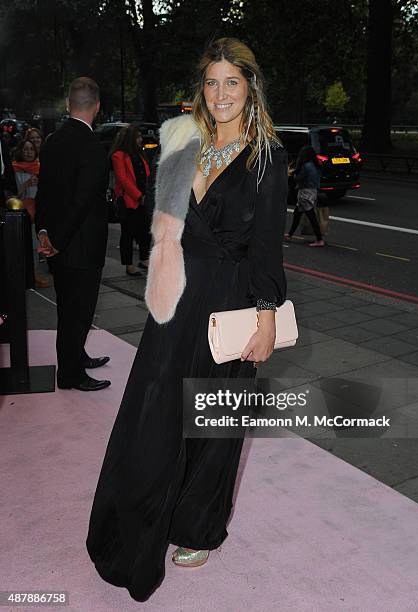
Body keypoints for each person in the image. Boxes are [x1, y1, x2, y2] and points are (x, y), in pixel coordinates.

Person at [86, 37, 288, 602]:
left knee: (212, 419)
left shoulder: (267, 155)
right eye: (211, 81)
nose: (220, 93)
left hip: (233, 296)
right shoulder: (180, 139)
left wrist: (266, 317)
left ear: (250, 86)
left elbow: (267, 245)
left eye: (232, 82)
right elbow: (165, 225)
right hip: (175, 303)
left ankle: (197, 526)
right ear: (200, 87)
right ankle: (137, 523)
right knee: (154, 415)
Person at [35, 77, 111, 392]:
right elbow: (81, 203)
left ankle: (76, 356)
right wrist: (59, 241)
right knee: (77, 312)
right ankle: (70, 375)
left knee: (67, 306)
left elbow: (44, 193)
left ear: (68, 104)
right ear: (97, 107)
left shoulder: (52, 141)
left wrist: (44, 234)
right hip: (79, 244)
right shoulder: (94, 147)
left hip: (57, 241)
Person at [110, 125, 152, 276]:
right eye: (138, 137)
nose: (141, 139)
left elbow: (146, 176)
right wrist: (138, 196)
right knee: (128, 233)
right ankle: (129, 265)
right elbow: (123, 180)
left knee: (145, 231)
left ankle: (144, 259)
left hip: (142, 199)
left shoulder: (140, 155)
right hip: (129, 201)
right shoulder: (118, 156)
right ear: (130, 139)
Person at [12, 139, 51, 288]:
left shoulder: (40, 168)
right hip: (21, 211)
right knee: (23, 246)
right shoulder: (14, 169)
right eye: (26, 149)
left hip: (38, 211)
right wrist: (26, 185)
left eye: (31, 149)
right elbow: (12, 195)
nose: (29, 152)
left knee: (36, 246)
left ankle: (33, 275)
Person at [285, 145, 325, 247]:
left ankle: (319, 240)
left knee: (311, 216)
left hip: (305, 192)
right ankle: (290, 234)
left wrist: (293, 174)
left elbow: (298, 178)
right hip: (313, 191)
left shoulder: (306, 166)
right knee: (297, 214)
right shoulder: (316, 165)